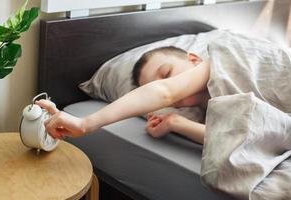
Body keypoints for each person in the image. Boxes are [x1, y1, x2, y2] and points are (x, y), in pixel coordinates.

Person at [36, 46, 211, 144]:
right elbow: (226, 140)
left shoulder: (218, 62)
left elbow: (165, 92)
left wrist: (85, 124)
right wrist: (176, 122)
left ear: (194, 59)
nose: (165, 84)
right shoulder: (213, 117)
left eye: (165, 74)